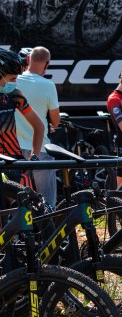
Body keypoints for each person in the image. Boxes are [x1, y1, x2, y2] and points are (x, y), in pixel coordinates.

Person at [16, 46, 60, 208]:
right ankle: (47, 232)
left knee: (17, 200)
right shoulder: (48, 85)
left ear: (28, 60)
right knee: (48, 202)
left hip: (14, 149)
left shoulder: (14, 81)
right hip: (40, 148)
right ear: (47, 64)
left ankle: (19, 233)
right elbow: (55, 121)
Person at [0, 48, 44, 182]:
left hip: (15, 162)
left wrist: (34, 157)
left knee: (27, 202)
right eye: (12, 78)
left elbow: (39, 126)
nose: (15, 82)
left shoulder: (15, 95)